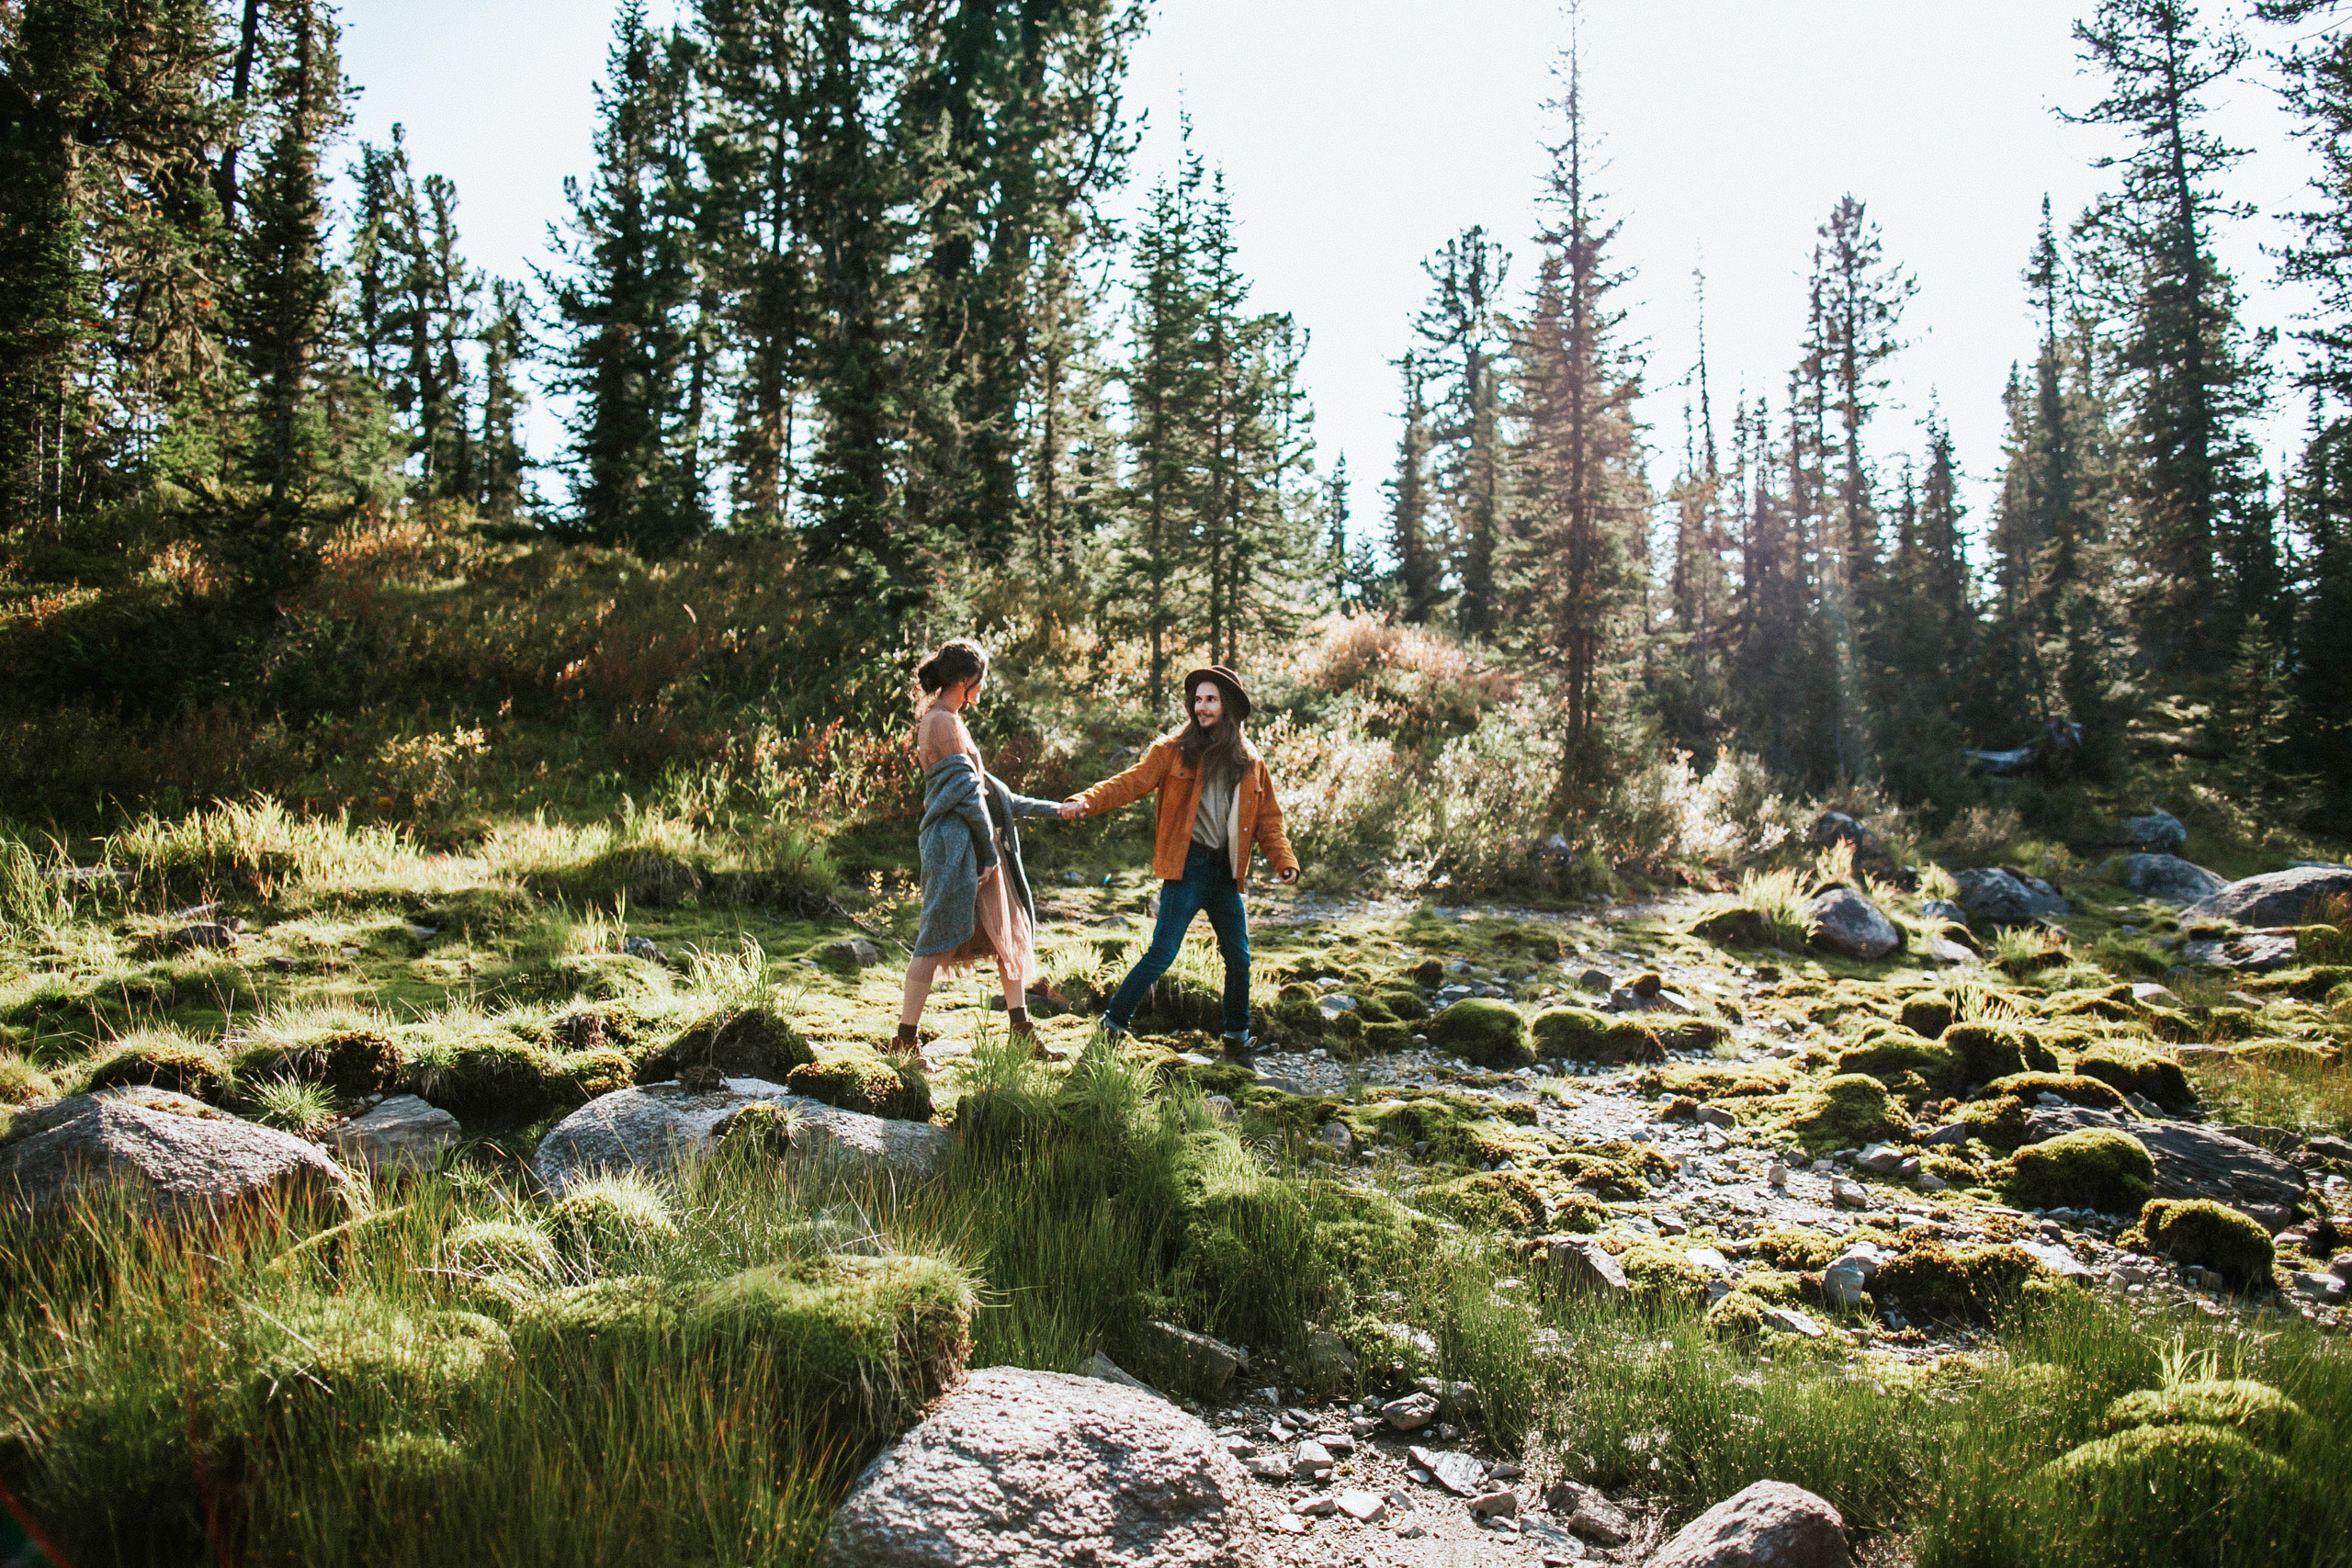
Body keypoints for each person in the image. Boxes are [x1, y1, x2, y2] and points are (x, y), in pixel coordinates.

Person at [1058, 665, 1299, 1067]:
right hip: (1187, 867)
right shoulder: (1172, 751)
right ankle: (1112, 1028)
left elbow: (1268, 821)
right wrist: (1087, 799)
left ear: (1229, 708)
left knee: (1239, 959)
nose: (1201, 707)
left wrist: (1283, 860)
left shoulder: (1251, 762)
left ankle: (1236, 1044)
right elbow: (1130, 781)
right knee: (1162, 952)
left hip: (1225, 874)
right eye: (1197, 700)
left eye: (1210, 700)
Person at [900, 638, 1064, 1055]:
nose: (983, 690)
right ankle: (904, 1041)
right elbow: (968, 795)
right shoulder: (940, 722)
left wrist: (1058, 809)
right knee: (934, 937)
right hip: (956, 845)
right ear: (964, 681)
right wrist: (988, 855)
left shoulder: (951, 718)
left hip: (975, 841)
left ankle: (1021, 1031)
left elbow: (995, 794)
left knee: (1008, 931)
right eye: (980, 681)